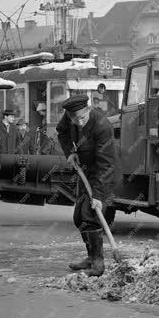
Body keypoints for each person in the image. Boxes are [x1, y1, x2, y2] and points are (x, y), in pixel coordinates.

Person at [57, 94, 116, 277]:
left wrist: (98, 196)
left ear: (88, 110)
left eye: (82, 118)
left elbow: (106, 165)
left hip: (103, 173)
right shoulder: (69, 117)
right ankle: (91, 257)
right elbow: (62, 132)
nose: (79, 122)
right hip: (85, 170)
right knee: (79, 218)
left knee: (90, 215)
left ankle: (98, 264)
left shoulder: (102, 126)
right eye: (75, 119)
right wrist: (71, 152)